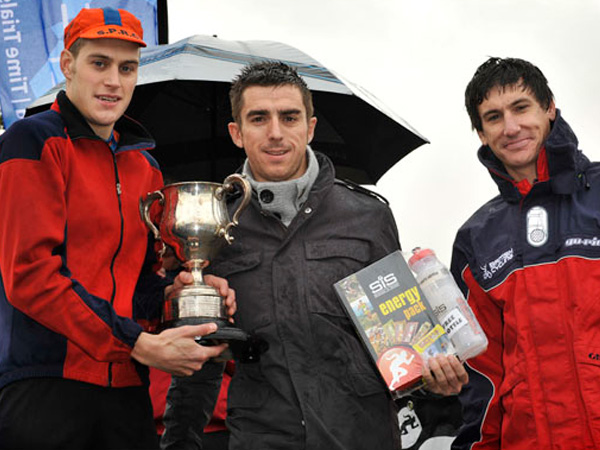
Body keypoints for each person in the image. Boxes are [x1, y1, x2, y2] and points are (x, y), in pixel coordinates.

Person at [163, 61, 468, 450]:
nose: (275, 133)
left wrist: (436, 383)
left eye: (289, 117)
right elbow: (200, 360)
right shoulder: (216, 225)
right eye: (259, 118)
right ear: (236, 134)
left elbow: (401, 340)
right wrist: (178, 442)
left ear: (310, 127)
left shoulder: (367, 216)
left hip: (362, 438)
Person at [0, 7, 233, 450]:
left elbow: (138, 285)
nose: (113, 81)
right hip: (45, 385)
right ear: (69, 65)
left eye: (127, 68)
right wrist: (136, 342)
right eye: (99, 63)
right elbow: (30, 275)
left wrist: (181, 297)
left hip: (127, 390)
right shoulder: (31, 140)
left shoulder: (144, 166)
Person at [450, 57, 600, 450]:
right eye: (494, 117)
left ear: (549, 108)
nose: (511, 127)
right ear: (481, 133)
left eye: (521, 107)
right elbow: (481, 376)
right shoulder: (474, 239)